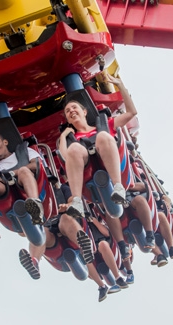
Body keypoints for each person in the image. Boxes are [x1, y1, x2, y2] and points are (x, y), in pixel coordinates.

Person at [58, 73, 138, 219]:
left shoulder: (104, 125)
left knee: (102, 135)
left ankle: (118, 187)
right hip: (87, 170)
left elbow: (132, 112)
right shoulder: (72, 139)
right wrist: (63, 136)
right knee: (74, 148)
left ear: (84, 111)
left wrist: (120, 85)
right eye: (68, 111)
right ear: (68, 120)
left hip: (111, 161)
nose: (71, 111)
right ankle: (77, 201)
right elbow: (64, 157)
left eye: (74, 107)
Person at [0, 133, 45, 242]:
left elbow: (36, 165)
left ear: (5, 142)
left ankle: (35, 206)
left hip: (27, 186)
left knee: (23, 170)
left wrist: (11, 173)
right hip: (6, 199)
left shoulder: (25, 152)